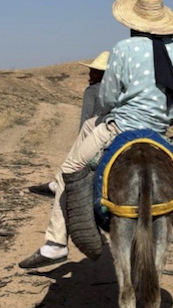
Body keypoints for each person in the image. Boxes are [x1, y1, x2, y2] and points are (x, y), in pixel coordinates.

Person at [19, 0, 173, 269]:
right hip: (160, 130)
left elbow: (108, 97)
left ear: (133, 20)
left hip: (122, 127)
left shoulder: (124, 48)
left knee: (71, 169)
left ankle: (56, 243)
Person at [27, 50, 110, 197]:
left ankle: (59, 185)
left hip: (97, 133)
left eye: (94, 71)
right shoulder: (114, 90)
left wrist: (81, 141)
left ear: (102, 74)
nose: (90, 74)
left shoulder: (91, 91)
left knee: (74, 164)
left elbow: (86, 117)